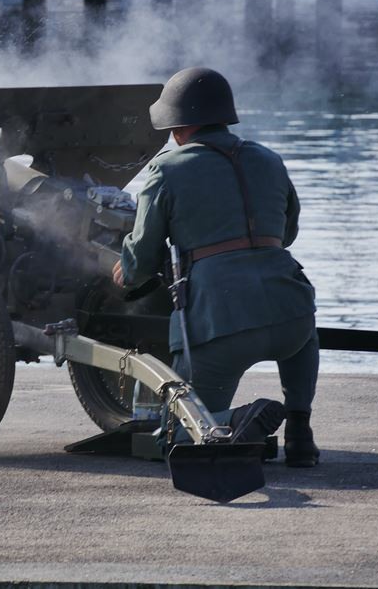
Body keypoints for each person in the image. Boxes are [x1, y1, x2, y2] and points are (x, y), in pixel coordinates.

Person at [111, 66, 320, 467]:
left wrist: (125, 270)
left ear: (176, 125)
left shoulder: (165, 169)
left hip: (221, 323)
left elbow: (141, 258)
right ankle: (300, 429)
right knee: (302, 328)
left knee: (179, 439)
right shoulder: (270, 159)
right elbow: (287, 233)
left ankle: (240, 421)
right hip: (289, 313)